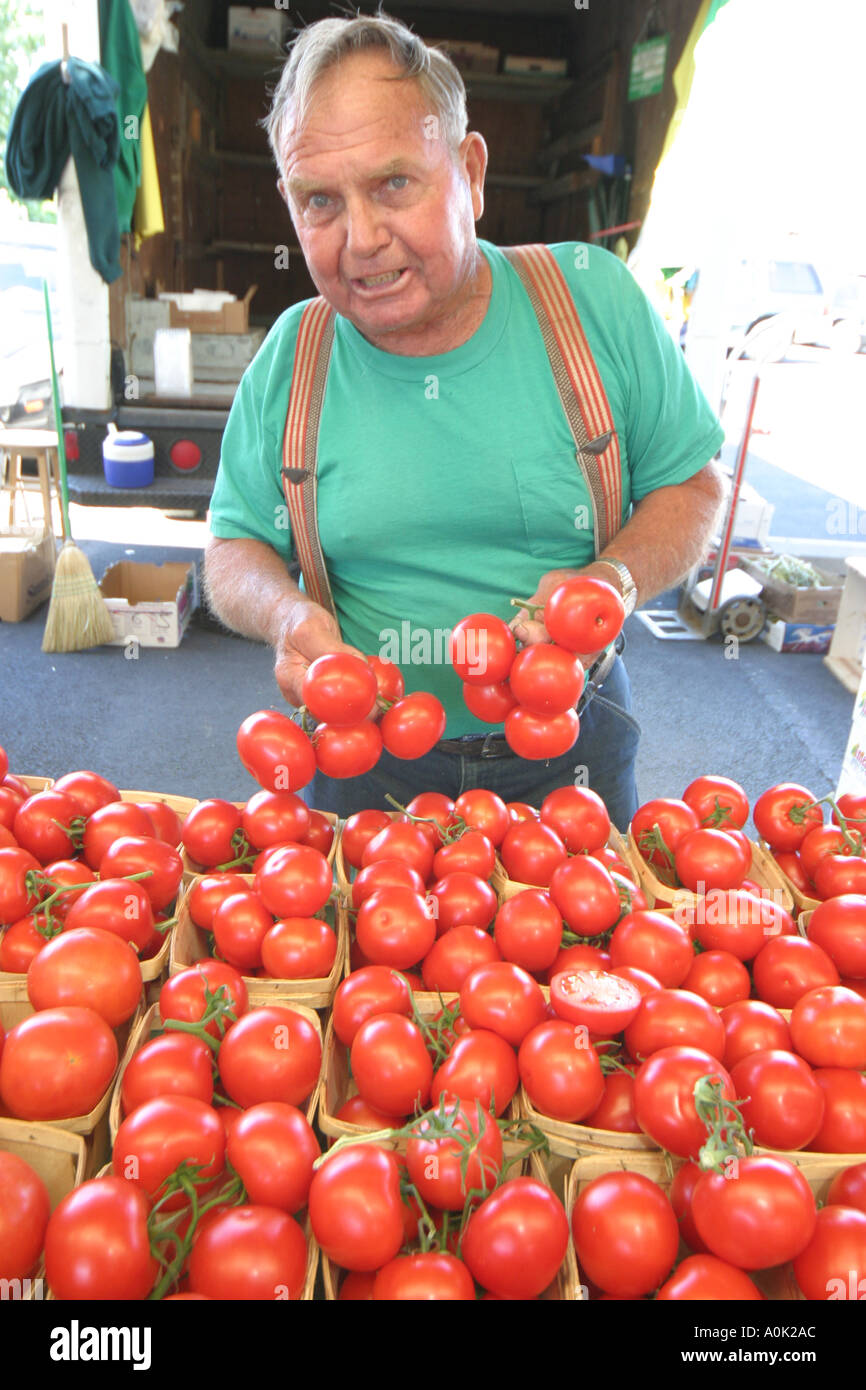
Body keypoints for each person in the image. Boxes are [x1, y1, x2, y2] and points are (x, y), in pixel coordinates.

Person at [203, 11, 726, 830]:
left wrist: (611, 583)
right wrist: (285, 613)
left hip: (570, 737)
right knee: (359, 955)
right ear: (287, 205)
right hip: (361, 754)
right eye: (320, 203)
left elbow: (691, 486)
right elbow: (233, 546)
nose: (362, 240)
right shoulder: (291, 359)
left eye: (394, 184)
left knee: (589, 955)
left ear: (470, 171)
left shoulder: (594, 303)